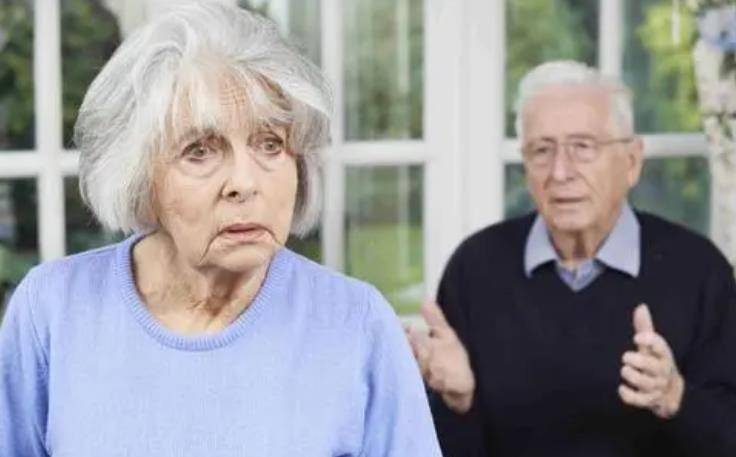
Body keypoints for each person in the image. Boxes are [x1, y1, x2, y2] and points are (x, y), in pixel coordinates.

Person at [0, 3, 441, 456]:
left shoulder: (357, 323)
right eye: (200, 151)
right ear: (138, 178)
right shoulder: (51, 310)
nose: (244, 184)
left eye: (270, 144)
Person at [407, 60, 736, 456]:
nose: (560, 172)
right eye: (542, 150)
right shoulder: (476, 268)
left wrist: (676, 398)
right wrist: (459, 403)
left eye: (583, 147)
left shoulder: (698, 271)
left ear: (632, 161)